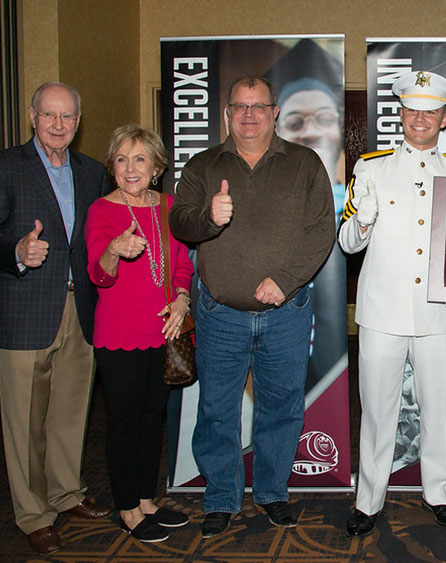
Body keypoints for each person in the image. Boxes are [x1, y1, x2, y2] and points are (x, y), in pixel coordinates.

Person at [169, 75, 335, 538]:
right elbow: (180, 220)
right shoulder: (203, 165)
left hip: (287, 313)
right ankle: (221, 497)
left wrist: (284, 280)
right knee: (218, 410)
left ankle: (271, 493)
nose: (248, 114)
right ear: (227, 112)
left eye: (258, 106)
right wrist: (209, 217)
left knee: (281, 408)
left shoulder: (304, 163)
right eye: (239, 106)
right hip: (221, 316)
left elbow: (322, 229)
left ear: (274, 111)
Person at [340, 70, 446, 537]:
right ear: (401, 114)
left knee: (437, 409)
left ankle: (439, 492)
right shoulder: (370, 168)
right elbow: (347, 243)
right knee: (378, 413)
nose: (421, 118)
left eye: (430, 111)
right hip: (382, 313)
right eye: (413, 109)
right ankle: (369, 499)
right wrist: (362, 223)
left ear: (444, 118)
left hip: (439, 313)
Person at [0, 82, 112, 555]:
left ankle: (66, 493)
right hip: (25, 310)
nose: (59, 125)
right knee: (25, 420)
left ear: (78, 121)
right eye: (50, 115)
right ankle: (33, 513)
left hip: (79, 308)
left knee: (70, 410)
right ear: (32, 116)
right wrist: (18, 251)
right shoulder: (7, 166)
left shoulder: (92, 173)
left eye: (67, 117)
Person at [85, 125, 195, 542]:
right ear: (113, 167)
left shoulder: (169, 206)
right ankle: (127, 508)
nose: (130, 168)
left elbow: (182, 262)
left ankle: (148, 500)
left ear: (156, 167)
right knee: (125, 422)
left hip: (163, 330)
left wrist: (182, 300)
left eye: (140, 159)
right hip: (119, 334)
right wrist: (114, 250)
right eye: (121, 159)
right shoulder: (101, 211)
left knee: (154, 419)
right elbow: (99, 273)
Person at [268, 39, 348, 384]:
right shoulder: (261, 196)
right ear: (278, 131)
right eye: (296, 122)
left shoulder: (358, 203)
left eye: (324, 119)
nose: (311, 130)